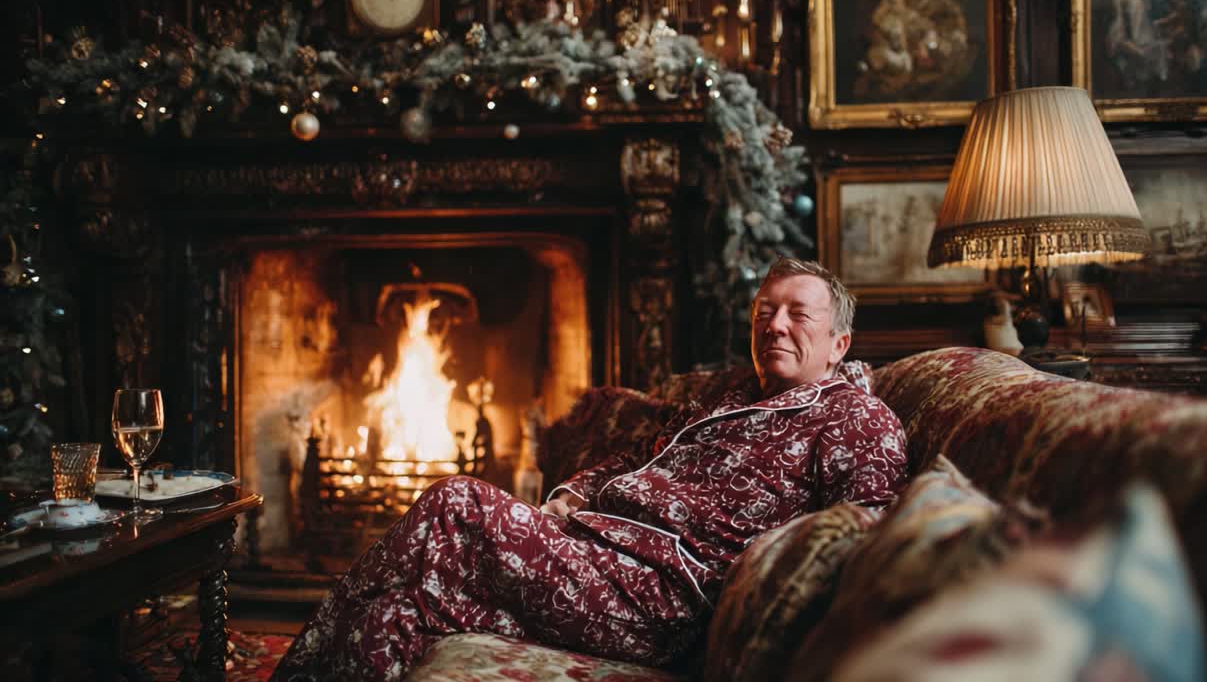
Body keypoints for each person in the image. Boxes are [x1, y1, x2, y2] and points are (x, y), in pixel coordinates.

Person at [272, 258, 910, 682]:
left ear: (838, 343)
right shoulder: (726, 396)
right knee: (404, 607)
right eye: (763, 312)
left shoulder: (857, 420)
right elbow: (634, 456)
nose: (774, 325)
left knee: (458, 501)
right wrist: (570, 495)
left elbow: (864, 532)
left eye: (798, 314)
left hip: (664, 598)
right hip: (589, 554)